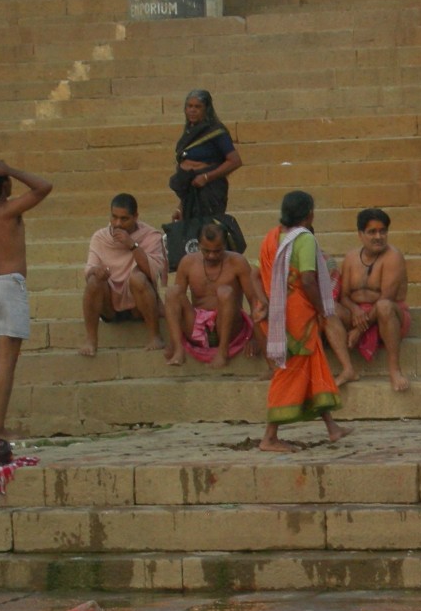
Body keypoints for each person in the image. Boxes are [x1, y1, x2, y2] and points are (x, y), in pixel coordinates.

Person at [257, 190, 350, 453]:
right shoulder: (304, 239)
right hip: (297, 318)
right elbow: (308, 279)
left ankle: (332, 428)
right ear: (309, 214)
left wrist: (263, 301)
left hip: (279, 314)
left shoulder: (271, 238)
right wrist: (322, 310)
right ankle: (270, 437)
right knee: (288, 374)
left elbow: (256, 275)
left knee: (313, 369)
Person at [0, 159, 51, 440]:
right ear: (6, 185)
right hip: (9, 286)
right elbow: (45, 186)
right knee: (7, 361)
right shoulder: (9, 210)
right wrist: (10, 170)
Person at [163, 223, 265, 368]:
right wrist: (172, 342)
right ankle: (179, 349)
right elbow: (177, 302)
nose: (211, 255)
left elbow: (254, 300)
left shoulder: (237, 262)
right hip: (196, 326)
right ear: (198, 245)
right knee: (172, 292)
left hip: (228, 325)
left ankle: (222, 353)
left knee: (225, 292)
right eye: (206, 251)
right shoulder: (188, 262)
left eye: (217, 251)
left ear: (225, 244)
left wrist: (255, 337)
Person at [81, 193, 168, 356]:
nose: (118, 223)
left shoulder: (150, 236)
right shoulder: (100, 237)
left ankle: (155, 336)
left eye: (124, 219)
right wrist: (97, 272)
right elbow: (89, 268)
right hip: (110, 304)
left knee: (138, 278)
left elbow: (153, 272)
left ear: (135, 217)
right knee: (93, 282)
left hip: (139, 303)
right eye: (114, 217)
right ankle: (91, 340)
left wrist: (132, 245)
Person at [334, 208, 411, 390]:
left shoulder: (393, 257)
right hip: (359, 315)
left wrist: (358, 331)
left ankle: (394, 371)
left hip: (389, 316)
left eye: (383, 231)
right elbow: (344, 296)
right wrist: (355, 309)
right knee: (329, 309)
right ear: (360, 234)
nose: (379, 236)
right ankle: (347, 369)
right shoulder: (351, 258)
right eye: (372, 232)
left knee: (384, 306)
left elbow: (386, 299)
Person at [169, 89, 241, 222]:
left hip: (209, 192)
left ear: (206, 109)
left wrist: (206, 177)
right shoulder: (188, 133)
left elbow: (235, 161)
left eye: (197, 106)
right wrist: (181, 207)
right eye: (189, 106)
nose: (193, 110)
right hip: (190, 194)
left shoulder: (216, 132)